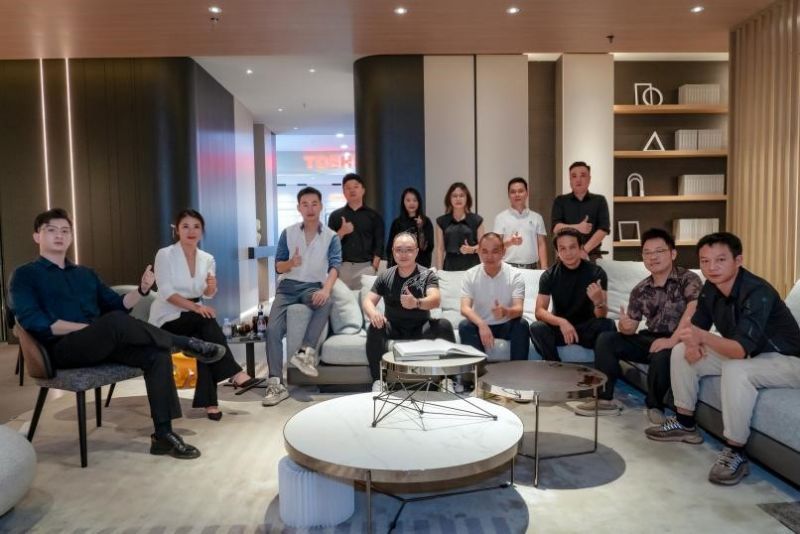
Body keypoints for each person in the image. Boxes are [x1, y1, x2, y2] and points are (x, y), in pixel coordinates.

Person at [9, 208, 227, 459]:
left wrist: (142, 290)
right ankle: (185, 343)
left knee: (156, 353)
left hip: (100, 343)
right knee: (113, 322)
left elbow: (118, 304)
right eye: (51, 230)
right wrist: (90, 329)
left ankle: (163, 435)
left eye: (65, 231)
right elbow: (34, 322)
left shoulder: (85, 274)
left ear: (71, 236)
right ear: (37, 236)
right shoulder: (24, 275)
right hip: (60, 350)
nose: (59, 235)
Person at [645, 232, 800, 486]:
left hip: (786, 360)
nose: (711, 267)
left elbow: (738, 350)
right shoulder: (711, 288)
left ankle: (735, 451)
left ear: (738, 260)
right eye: (705, 261)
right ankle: (685, 422)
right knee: (680, 352)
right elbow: (697, 327)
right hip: (750, 355)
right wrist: (692, 343)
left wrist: (701, 338)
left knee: (736, 370)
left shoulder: (757, 292)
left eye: (720, 260)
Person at [575, 228, 702, 420]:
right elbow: (631, 328)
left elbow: (693, 311)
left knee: (663, 354)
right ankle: (604, 399)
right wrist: (624, 325)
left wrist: (671, 341)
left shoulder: (689, 279)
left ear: (673, 253)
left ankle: (655, 406)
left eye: (659, 251)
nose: (653, 257)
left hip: (679, 339)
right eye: (647, 252)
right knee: (606, 339)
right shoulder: (640, 289)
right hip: (650, 337)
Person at [149, 209, 256, 421]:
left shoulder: (207, 259)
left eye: (196, 227)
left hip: (194, 318)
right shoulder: (165, 254)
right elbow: (166, 292)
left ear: (202, 231)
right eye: (185, 226)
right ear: (177, 230)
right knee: (205, 322)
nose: (191, 231)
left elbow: (208, 293)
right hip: (167, 317)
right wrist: (196, 307)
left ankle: (211, 403)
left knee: (206, 343)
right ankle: (234, 373)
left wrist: (211, 287)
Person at [265, 187, 342, 406]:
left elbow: (335, 266)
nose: (310, 208)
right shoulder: (288, 233)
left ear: (321, 206)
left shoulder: (331, 236)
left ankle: (304, 352)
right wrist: (291, 263)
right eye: (305, 204)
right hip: (287, 287)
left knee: (326, 301)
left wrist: (325, 289)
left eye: (314, 203)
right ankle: (275, 384)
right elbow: (278, 267)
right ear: (298, 208)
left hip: (312, 287)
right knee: (272, 330)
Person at [364, 233, 455, 391]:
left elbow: (435, 299)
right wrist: (373, 313)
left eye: (409, 250)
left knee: (444, 325)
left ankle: (447, 380)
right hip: (394, 327)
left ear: (417, 251)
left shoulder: (427, 274)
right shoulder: (385, 276)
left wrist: (417, 303)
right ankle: (379, 380)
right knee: (374, 327)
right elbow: (368, 301)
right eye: (399, 250)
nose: (404, 254)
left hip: (421, 327)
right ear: (393, 252)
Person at [529, 228, 616, 361]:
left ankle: (603, 369)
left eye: (572, 247)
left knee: (608, 324)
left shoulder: (596, 273)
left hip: (587, 328)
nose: (568, 253)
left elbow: (601, 315)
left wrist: (598, 302)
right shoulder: (549, 275)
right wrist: (561, 322)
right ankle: (554, 365)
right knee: (536, 327)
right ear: (557, 251)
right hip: (560, 329)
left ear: (581, 248)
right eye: (562, 248)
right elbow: (539, 312)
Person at [459, 233, 529, 361]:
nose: (489, 257)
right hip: (481, 323)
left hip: (505, 324)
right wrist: (481, 324)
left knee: (521, 324)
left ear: (503, 252)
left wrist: (506, 312)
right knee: (465, 326)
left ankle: (518, 370)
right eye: (484, 251)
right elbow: (465, 308)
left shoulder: (515, 275)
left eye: (495, 251)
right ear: (479, 252)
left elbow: (519, 309)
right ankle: (478, 370)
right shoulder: (470, 275)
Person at [327, 173, 384, 289]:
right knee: (341, 300)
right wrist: (341, 232)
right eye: (348, 188)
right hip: (342, 267)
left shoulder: (374, 216)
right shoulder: (335, 216)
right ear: (344, 192)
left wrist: (374, 267)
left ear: (363, 190)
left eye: (356, 187)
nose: (352, 190)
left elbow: (379, 244)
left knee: (365, 300)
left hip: (366, 267)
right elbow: (328, 244)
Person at [551, 161, 610, 261]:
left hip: (592, 255)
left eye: (582, 175)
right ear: (570, 180)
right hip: (565, 255)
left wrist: (584, 251)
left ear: (589, 179)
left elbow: (603, 229)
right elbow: (556, 228)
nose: (578, 179)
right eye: (574, 176)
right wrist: (578, 227)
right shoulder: (560, 201)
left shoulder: (600, 200)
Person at [493, 177, 548, 269]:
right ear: (508, 195)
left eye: (520, 191)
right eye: (513, 192)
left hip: (532, 267)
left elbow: (541, 244)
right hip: (508, 268)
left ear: (527, 193)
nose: (517, 194)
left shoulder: (537, 218)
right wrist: (510, 242)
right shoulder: (500, 218)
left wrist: (544, 268)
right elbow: (496, 246)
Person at [435, 182, 485, 271]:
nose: (458, 199)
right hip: (450, 267)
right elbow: (440, 249)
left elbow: (483, 247)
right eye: (454, 196)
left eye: (461, 195)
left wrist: (472, 249)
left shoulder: (476, 220)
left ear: (467, 198)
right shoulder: (442, 221)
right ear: (449, 199)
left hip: (472, 267)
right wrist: (439, 271)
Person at [386, 187, 434, 268]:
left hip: (420, 266)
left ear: (419, 202)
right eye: (408, 200)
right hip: (400, 267)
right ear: (403, 202)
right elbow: (390, 248)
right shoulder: (397, 223)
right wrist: (390, 267)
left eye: (415, 200)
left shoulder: (426, 222)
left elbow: (427, 248)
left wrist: (420, 228)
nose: (411, 203)